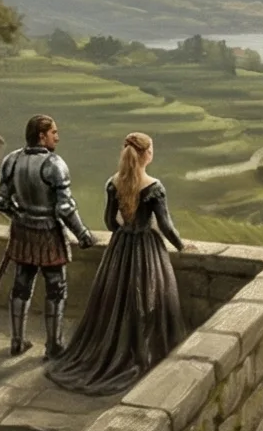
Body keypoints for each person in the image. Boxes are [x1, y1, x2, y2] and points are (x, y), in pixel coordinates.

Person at [47, 131, 187, 396]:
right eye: (151, 149)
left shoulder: (113, 183)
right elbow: (166, 225)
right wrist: (181, 246)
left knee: (115, 298)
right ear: (146, 154)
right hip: (146, 249)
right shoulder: (154, 187)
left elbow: (110, 222)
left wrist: (125, 229)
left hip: (120, 248)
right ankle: (141, 349)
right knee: (146, 298)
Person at [0, 114, 94, 357]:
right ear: (41, 136)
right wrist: (82, 233)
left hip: (22, 231)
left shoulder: (12, 160)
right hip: (48, 232)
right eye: (53, 133)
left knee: (22, 285)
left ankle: (17, 341)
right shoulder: (54, 164)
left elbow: (0, 201)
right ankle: (54, 345)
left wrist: (18, 215)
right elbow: (65, 208)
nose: (57, 137)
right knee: (56, 288)